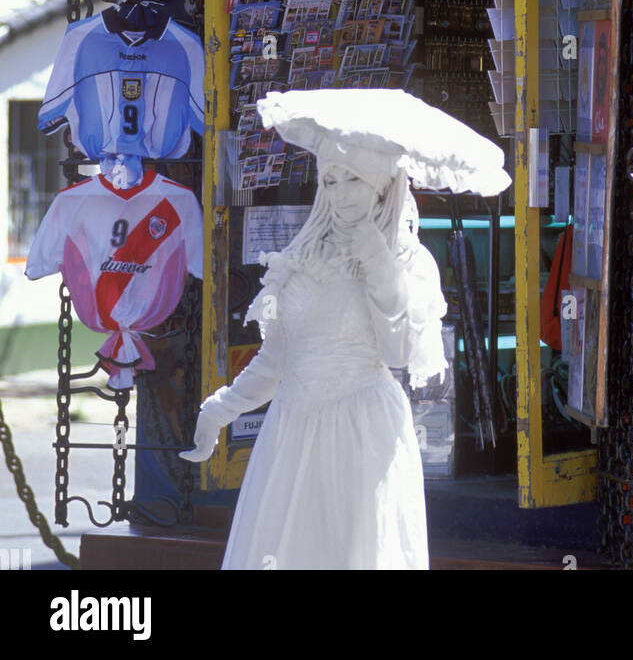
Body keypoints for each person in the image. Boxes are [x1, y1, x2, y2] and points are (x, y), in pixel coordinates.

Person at [181, 156, 447, 570]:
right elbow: (276, 361)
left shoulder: (407, 260)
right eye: (330, 180)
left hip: (363, 430)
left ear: (382, 183)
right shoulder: (300, 255)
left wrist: (379, 263)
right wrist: (220, 408)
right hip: (291, 431)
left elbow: (399, 353)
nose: (339, 193)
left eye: (353, 178)